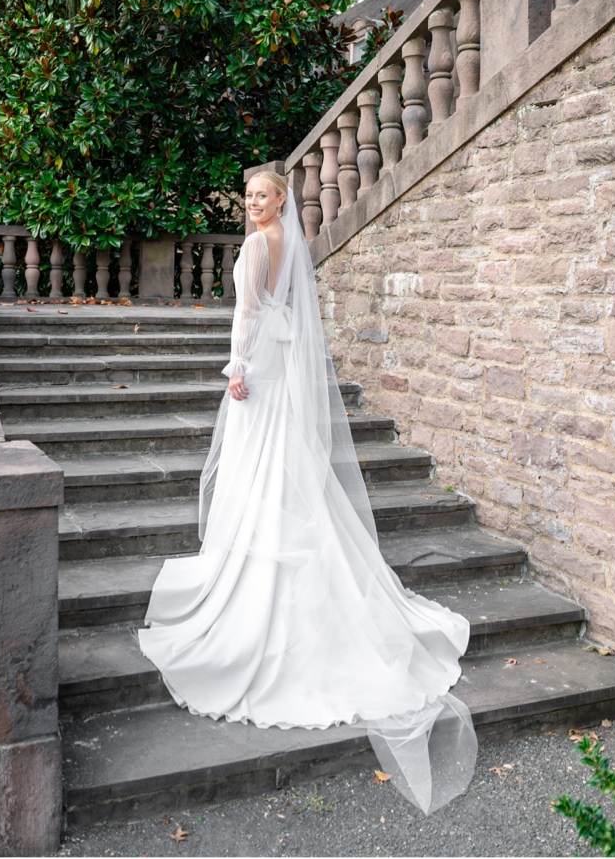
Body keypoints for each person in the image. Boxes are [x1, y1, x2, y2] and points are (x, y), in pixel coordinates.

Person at [137, 169, 476, 815]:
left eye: (263, 194)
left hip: (260, 370)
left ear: (282, 199)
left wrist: (236, 368)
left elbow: (247, 313)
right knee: (281, 472)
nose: (254, 203)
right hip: (282, 368)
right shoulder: (290, 243)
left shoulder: (259, 245)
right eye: (249, 195)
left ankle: (258, 598)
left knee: (260, 470)